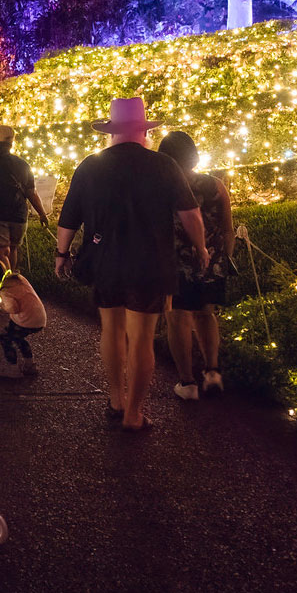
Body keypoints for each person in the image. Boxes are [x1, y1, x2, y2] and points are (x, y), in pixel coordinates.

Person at [55, 98, 208, 431]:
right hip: (151, 264)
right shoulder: (164, 164)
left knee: (111, 330)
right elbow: (190, 213)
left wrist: (61, 254)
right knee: (141, 339)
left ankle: (115, 399)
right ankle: (134, 414)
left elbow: (68, 218)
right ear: (143, 130)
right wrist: (201, 247)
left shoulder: (90, 166)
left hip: (106, 263)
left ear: (111, 131)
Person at [158, 130, 234, 399]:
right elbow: (228, 229)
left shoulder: (162, 191)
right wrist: (223, 259)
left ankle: (187, 382)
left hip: (175, 264)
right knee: (205, 313)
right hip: (211, 263)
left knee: (176, 318)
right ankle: (213, 372)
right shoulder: (215, 185)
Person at [0, 125, 51, 269]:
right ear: (11, 144)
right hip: (18, 216)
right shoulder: (23, 165)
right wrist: (42, 214)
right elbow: (31, 192)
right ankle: (13, 278)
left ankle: (6, 284)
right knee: (12, 250)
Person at [0, 257, 47, 379]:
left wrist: (1, 306)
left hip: (26, 320)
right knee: (18, 338)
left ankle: (12, 368)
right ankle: (30, 365)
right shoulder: (16, 278)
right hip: (38, 317)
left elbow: (13, 308)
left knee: (5, 338)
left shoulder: (5, 291)